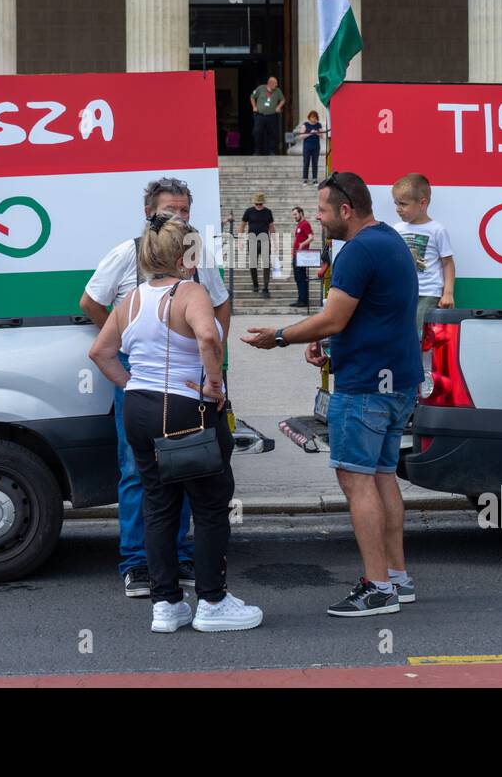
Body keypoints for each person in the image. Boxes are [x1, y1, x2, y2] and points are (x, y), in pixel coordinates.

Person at [243, 172, 423, 617]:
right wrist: (330, 345)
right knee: (382, 476)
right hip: (397, 381)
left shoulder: (357, 250)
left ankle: (377, 588)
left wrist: (280, 336)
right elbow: (371, 315)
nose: (319, 218)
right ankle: (397, 578)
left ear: (346, 210)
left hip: (364, 388)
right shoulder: (391, 240)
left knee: (356, 480)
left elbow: (335, 317)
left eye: (323, 211)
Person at [89, 214, 263, 634]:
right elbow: (208, 336)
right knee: (209, 505)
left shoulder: (130, 300)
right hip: (186, 409)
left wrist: (133, 384)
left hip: (139, 410)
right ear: (186, 256)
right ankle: (213, 601)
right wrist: (215, 385)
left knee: (158, 505)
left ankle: (165, 604)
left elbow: (100, 352)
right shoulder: (191, 292)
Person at [79, 177, 231, 597]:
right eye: (170, 211)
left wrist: (213, 366)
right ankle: (137, 562)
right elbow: (91, 302)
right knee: (137, 471)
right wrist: (129, 352)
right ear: (149, 214)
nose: (179, 218)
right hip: (142, 370)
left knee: (186, 466)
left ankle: (176, 559)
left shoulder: (198, 256)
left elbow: (218, 310)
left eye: (184, 210)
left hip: (186, 376)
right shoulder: (126, 254)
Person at [391, 173, 455, 340]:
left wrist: (448, 293)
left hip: (428, 293)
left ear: (422, 203)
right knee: (399, 333)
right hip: (402, 292)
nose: (398, 208)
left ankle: (416, 365)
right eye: (396, 203)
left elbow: (447, 263)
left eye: (403, 204)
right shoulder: (397, 229)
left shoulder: (437, 230)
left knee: (418, 336)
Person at [240, 192, 276, 297]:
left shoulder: (268, 212)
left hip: (265, 241)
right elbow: (242, 225)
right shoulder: (249, 211)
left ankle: (265, 288)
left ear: (263, 203)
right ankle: (255, 284)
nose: (259, 206)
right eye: (257, 204)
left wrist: (275, 242)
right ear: (254, 203)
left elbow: (272, 227)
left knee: (266, 265)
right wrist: (241, 240)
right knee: (253, 264)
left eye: (260, 204)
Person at [249, 76, 285, 156]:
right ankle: (257, 151)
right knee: (257, 132)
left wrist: (278, 107)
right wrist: (254, 107)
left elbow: (283, 99)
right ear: (270, 83)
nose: (277, 85)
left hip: (271, 116)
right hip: (260, 115)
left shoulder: (278, 91)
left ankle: (271, 151)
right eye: (275, 83)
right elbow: (252, 97)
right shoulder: (260, 88)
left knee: (272, 133)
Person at [290, 206, 313, 308]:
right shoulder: (299, 225)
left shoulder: (305, 224)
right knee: (298, 278)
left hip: (302, 255)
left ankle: (303, 300)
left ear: (301, 213)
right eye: (293, 215)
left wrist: (302, 244)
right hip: (297, 255)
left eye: (295, 214)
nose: (294, 216)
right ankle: (300, 299)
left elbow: (311, 237)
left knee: (301, 278)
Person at [295, 110, 324, 184]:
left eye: (315, 117)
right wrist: (310, 133)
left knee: (315, 162)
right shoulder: (305, 124)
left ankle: (315, 179)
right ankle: (305, 178)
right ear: (309, 117)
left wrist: (317, 133)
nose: (314, 119)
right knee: (306, 162)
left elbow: (322, 136)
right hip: (307, 146)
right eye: (312, 117)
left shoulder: (318, 125)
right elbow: (301, 136)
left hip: (316, 146)